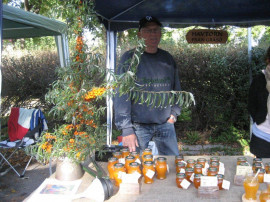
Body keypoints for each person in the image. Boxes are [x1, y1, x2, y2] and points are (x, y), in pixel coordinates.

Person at [114, 16, 181, 155]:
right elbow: (121, 93)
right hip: (138, 127)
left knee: (172, 165)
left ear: (160, 33)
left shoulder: (167, 59)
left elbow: (177, 89)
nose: (153, 34)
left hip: (165, 124)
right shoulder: (129, 58)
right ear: (140, 34)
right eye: (148, 30)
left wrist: (174, 114)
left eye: (156, 30)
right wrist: (126, 128)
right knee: (134, 167)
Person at [248, 46, 270, 158]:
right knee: (262, 172)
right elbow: (251, 105)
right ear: (268, 59)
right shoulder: (259, 79)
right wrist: (259, 120)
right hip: (263, 136)